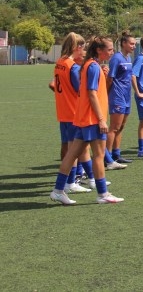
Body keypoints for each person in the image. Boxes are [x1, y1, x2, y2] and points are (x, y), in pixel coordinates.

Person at [50, 36, 124, 204]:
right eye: (110, 49)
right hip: (91, 119)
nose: (112, 52)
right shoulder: (92, 67)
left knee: (71, 155)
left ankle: (58, 190)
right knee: (98, 156)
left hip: (82, 118)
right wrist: (101, 119)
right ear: (99, 50)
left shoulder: (88, 65)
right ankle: (103, 194)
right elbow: (91, 93)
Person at [49, 32, 92, 194]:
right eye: (82, 47)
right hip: (74, 112)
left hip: (63, 111)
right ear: (76, 47)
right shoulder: (72, 66)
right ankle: (73, 181)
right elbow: (80, 90)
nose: (84, 51)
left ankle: (76, 180)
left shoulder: (60, 62)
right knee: (76, 149)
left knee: (69, 147)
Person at [105, 31, 136, 169]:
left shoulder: (128, 58)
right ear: (123, 43)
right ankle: (107, 157)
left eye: (135, 44)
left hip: (126, 96)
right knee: (114, 128)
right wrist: (106, 94)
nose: (133, 46)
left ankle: (116, 154)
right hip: (117, 96)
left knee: (121, 127)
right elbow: (110, 78)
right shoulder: (116, 58)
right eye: (131, 43)